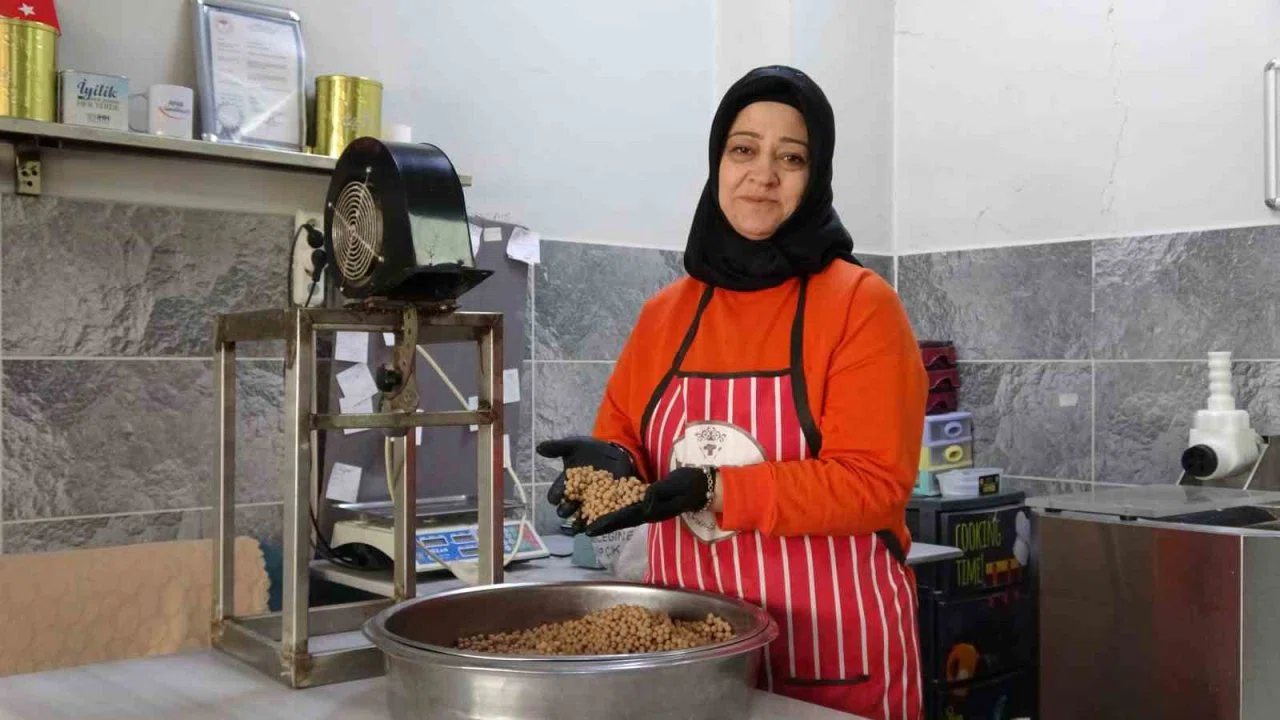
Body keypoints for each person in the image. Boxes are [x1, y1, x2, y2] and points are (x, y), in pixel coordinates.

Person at [538, 65, 926, 720]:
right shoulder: (666, 314)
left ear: (817, 174)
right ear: (718, 161)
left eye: (791, 157)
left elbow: (874, 483)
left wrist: (715, 490)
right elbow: (623, 433)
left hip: (832, 661)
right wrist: (609, 464)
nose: (763, 175)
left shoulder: (861, 306)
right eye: (743, 149)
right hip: (690, 658)